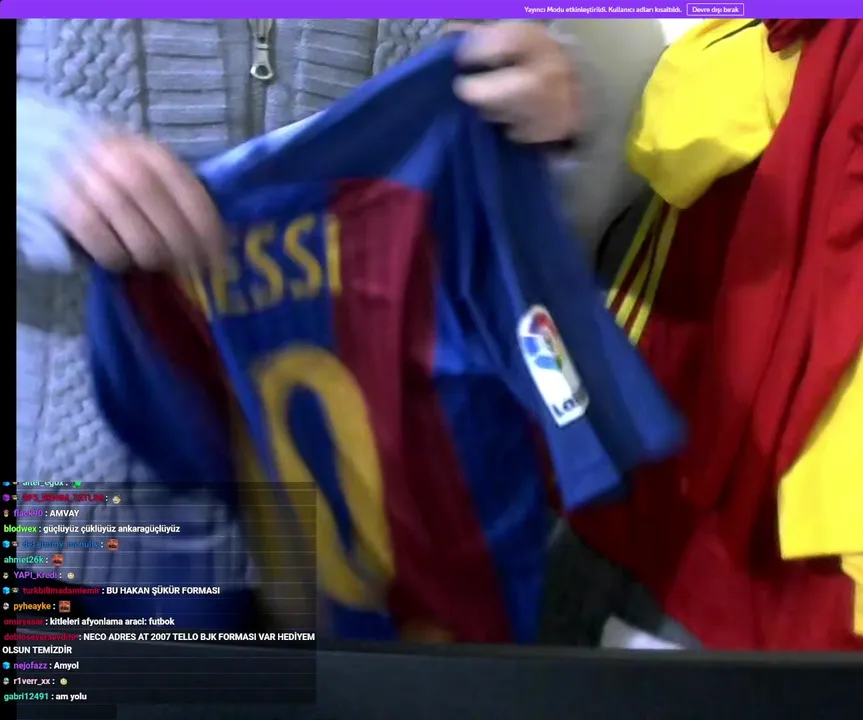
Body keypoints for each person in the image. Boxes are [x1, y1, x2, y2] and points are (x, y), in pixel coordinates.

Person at [16, 19, 664, 628]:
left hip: (394, 521)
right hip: (92, 519)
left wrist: (555, 117)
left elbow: (516, 176)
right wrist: (44, 162)